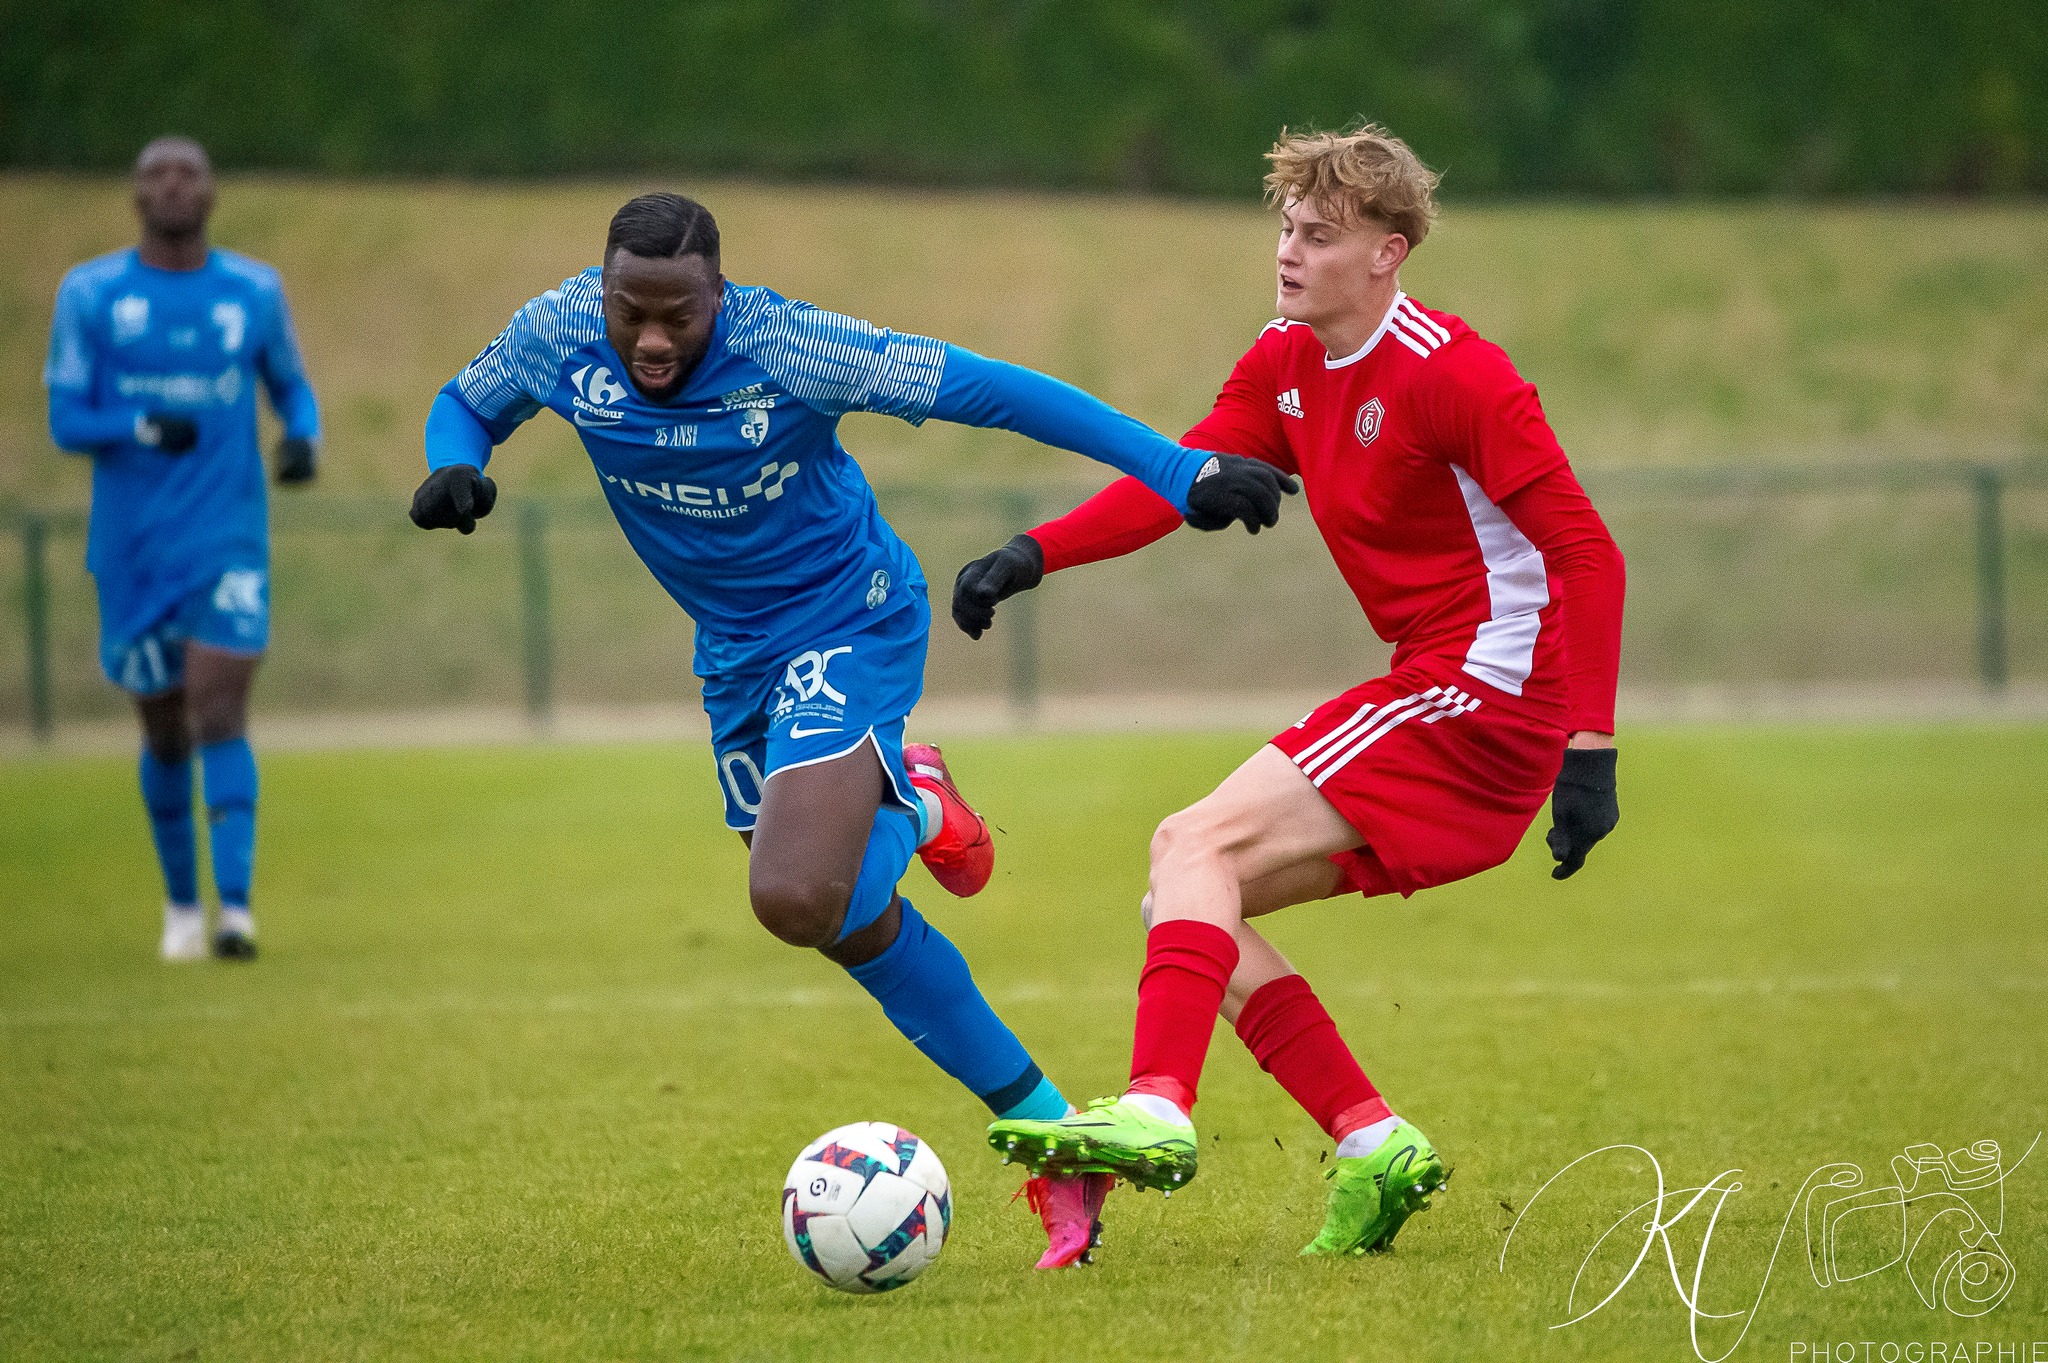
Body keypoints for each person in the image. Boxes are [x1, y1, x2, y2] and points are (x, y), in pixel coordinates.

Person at [408, 191, 1294, 1268]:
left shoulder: (790, 345)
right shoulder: (555, 331)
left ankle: (909, 802)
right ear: (602, 290)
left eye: (678, 316)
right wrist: (453, 459)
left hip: (849, 618)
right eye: (629, 312)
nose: (651, 339)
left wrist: (1177, 468)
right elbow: (467, 400)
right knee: (840, 916)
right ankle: (1057, 1137)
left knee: (791, 891)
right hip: (735, 658)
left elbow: (989, 389)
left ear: (718, 294)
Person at [967, 124, 1626, 1258]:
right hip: (1445, 687)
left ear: (1388, 252)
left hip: (1484, 691)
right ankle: (1374, 1144)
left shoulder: (1456, 374)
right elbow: (1181, 476)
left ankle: (1156, 1107)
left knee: (1190, 840)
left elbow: (1587, 554)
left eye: (1319, 235)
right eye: (1285, 227)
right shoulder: (1284, 362)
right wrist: (1034, 554)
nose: (1288, 251)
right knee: (1188, 900)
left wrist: (1591, 748)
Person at [44, 135, 322, 963]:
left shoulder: (253, 290)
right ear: (136, 195)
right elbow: (66, 419)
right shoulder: (91, 294)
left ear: (211, 192)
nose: (172, 186)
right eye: (156, 175)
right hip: (132, 548)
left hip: (226, 536)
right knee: (165, 731)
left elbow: (291, 385)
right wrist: (136, 425)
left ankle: (234, 910)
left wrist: (301, 437)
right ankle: (181, 908)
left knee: (220, 709)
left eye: (188, 174)